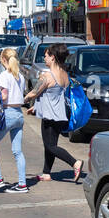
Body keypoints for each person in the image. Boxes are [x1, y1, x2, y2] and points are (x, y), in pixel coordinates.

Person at [26, 42, 82, 183]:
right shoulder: (64, 74)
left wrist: (21, 100)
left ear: (53, 57)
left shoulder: (47, 76)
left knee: (50, 146)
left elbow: (34, 93)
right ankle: (46, 173)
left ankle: (75, 163)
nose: (44, 59)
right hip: (60, 114)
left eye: (45, 56)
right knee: (50, 144)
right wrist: (37, 107)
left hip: (50, 116)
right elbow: (52, 96)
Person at [0, 47, 30, 193]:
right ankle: (22, 184)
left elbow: (3, 97)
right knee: (17, 151)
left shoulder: (4, 75)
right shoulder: (20, 76)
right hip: (18, 115)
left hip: (8, 113)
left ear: (3, 60)